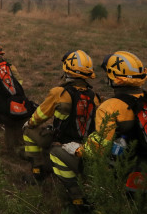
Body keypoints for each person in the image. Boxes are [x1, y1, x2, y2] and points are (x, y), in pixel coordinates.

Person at [51, 51, 147, 214]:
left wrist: (78, 150)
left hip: (122, 172)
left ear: (114, 77)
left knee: (57, 153)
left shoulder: (111, 107)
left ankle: (77, 203)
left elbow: (98, 150)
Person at [23, 50, 100, 183]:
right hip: (85, 146)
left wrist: (29, 123)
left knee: (28, 130)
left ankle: (37, 171)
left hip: (61, 142)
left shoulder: (59, 93)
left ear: (67, 69)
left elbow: (40, 115)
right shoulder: (95, 97)